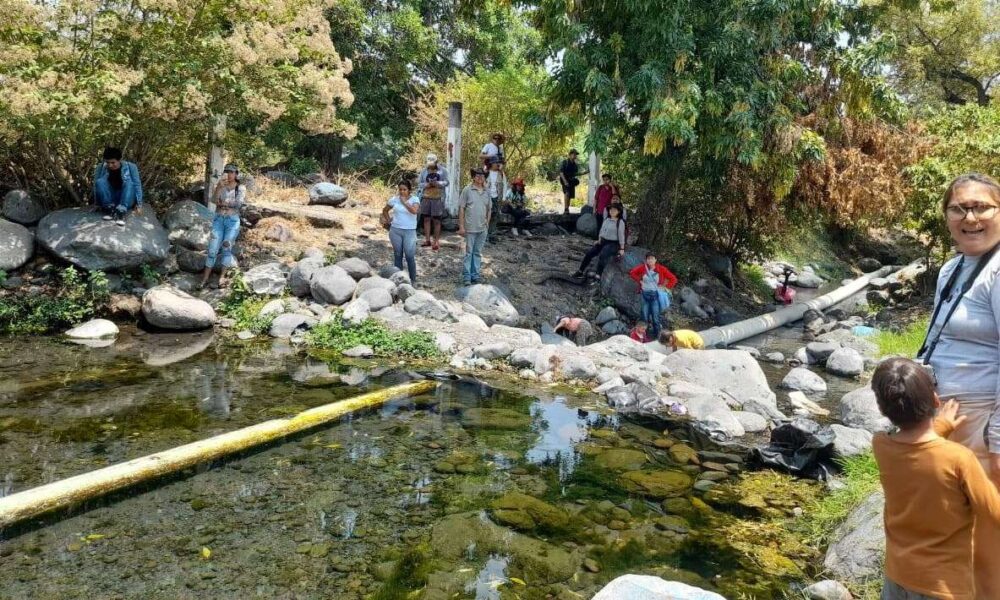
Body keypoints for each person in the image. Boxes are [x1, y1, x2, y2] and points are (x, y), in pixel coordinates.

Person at [916, 172, 1000, 599]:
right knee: (953, 527)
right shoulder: (953, 266)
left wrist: (999, 441)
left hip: (983, 426)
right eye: (958, 208)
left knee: (986, 541)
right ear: (946, 215)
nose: (970, 217)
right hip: (946, 418)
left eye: (981, 206)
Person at [870, 358, 1000, 600]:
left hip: (897, 577)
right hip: (944, 587)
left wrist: (940, 428)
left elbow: (917, 453)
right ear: (936, 399)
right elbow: (993, 512)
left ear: (882, 409)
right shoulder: (959, 459)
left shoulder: (881, 444)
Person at [199, 164, 244, 289]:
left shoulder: (240, 187)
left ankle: (221, 277)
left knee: (226, 247)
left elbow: (239, 203)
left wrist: (225, 203)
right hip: (218, 220)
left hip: (232, 221)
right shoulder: (220, 185)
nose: (229, 174)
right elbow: (213, 201)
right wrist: (218, 187)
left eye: (231, 172)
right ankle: (205, 278)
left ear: (236, 174)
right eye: (227, 172)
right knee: (212, 249)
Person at [629, 252, 678, 339]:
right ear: (646, 260)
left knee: (655, 318)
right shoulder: (643, 268)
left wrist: (665, 287)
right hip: (644, 295)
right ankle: (644, 337)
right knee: (644, 317)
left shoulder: (661, 269)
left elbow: (673, 279)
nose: (650, 260)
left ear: (655, 260)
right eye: (648, 258)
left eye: (652, 258)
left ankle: (658, 337)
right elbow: (632, 273)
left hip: (655, 296)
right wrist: (639, 280)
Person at [381, 180, 421, 284]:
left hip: (409, 231)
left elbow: (414, 211)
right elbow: (385, 210)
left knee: (409, 255)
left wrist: (404, 202)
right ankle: (398, 280)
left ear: (409, 190)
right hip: (395, 230)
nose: (402, 192)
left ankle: (413, 280)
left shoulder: (415, 199)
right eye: (400, 189)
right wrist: (388, 219)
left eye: (404, 189)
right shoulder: (394, 199)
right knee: (398, 254)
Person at [572, 204, 625, 280]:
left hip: (613, 243)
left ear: (619, 211)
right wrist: (599, 239)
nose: (612, 211)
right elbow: (602, 231)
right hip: (603, 241)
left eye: (614, 210)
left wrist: (622, 249)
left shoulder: (620, 222)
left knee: (603, 254)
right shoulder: (607, 220)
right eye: (611, 210)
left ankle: (598, 274)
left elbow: (621, 235)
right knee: (589, 253)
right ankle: (580, 271)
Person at [92, 147, 143, 226]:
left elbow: (137, 185)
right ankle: (109, 209)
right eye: (107, 162)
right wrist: (97, 203)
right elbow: (96, 186)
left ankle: (121, 212)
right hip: (110, 198)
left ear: (120, 159)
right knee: (100, 182)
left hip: (126, 197)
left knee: (129, 183)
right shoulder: (101, 167)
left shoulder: (131, 167)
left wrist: (139, 205)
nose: (110, 165)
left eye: (113, 162)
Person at [458, 168, 492, 285]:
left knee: (477, 253)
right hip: (470, 227)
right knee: (468, 253)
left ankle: (475, 275)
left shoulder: (487, 191)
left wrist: (487, 222)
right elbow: (462, 208)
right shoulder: (467, 190)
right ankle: (467, 277)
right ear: (473, 177)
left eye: (482, 176)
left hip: (482, 228)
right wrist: (461, 226)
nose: (480, 177)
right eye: (477, 176)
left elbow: (489, 208)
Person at [418, 154, 449, 250]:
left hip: (438, 198)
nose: (430, 165)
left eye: (432, 163)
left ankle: (436, 242)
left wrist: (437, 183)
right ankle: (427, 240)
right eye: (429, 163)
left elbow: (447, 182)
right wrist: (426, 185)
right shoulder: (424, 171)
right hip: (426, 197)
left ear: (436, 162)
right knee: (426, 219)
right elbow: (419, 183)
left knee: (437, 220)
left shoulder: (443, 170)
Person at [486, 158, 507, 242]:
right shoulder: (486, 172)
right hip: (487, 197)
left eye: (498, 162)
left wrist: (504, 197)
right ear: (491, 163)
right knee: (486, 216)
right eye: (495, 162)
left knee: (495, 217)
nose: (497, 164)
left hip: (497, 198)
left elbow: (505, 184)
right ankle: (484, 235)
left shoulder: (501, 173)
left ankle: (492, 235)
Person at [558, 149, 582, 214]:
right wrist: (565, 181)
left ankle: (567, 209)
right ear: (570, 155)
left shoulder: (574, 165)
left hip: (571, 181)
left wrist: (584, 172)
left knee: (570, 196)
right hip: (564, 180)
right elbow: (561, 172)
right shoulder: (565, 162)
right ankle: (566, 209)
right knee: (567, 193)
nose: (575, 156)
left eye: (576, 154)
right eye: (574, 154)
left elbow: (575, 174)